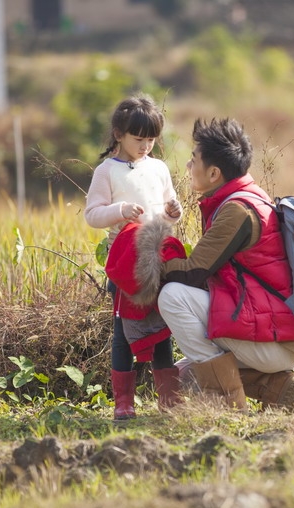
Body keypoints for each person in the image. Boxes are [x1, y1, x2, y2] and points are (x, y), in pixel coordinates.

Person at [157, 117, 294, 412]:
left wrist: (141, 273)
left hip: (273, 340)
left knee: (172, 295)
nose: (189, 168)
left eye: (193, 161)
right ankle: (275, 386)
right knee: (181, 376)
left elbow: (193, 272)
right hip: (277, 333)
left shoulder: (237, 210)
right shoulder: (247, 197)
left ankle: (228, 407)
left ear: (214, 172)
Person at [84, 93, 182, 420]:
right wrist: (120, 210)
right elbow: (93, 215)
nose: (145, 146)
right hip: (125, 262)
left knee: (162, 329)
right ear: (118, 135)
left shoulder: (158, 168)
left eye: (151, 140)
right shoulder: (107, 172)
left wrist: (173, 211)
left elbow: (168, 208)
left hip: (157, 258)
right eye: (138, 139)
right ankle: (124, 402)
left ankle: (169, 400)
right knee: (124, 331)